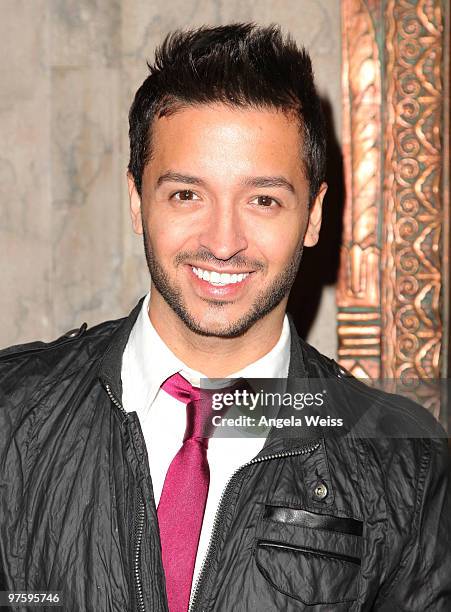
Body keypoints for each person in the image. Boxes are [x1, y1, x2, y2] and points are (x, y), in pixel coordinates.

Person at [0, 23, 449, 612]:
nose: (222, 241)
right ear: (137, 200)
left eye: (263, 199)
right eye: (187, 194)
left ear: (313, 216)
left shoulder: (408, 464)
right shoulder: (11, 414)